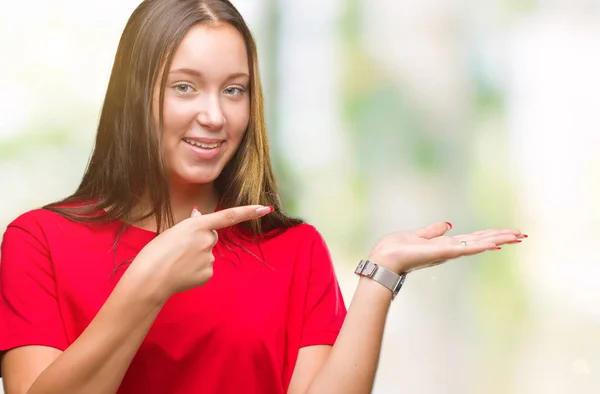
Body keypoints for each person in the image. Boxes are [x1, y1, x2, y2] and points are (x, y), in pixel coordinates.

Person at [0, 1, 526, 393]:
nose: (215, 115)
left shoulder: (293, 249)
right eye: (185, 86)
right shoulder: (38, 241)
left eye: (235, 89)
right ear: (135, 93)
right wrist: (147, 284)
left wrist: (381, 276)